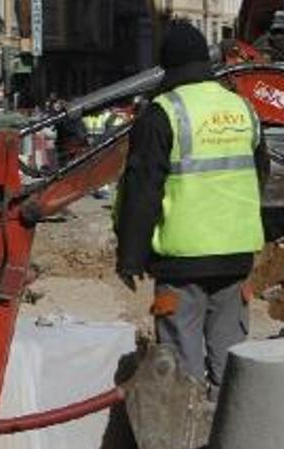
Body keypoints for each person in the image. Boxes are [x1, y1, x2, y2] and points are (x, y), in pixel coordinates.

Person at [114, 21, 269, 401]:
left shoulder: (163, 113)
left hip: (182, 263)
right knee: (232, 368)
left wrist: (131, 256)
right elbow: (259, 174)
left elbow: (142, 190)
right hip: (235, 259)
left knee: (183, 372)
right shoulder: (242, 109)